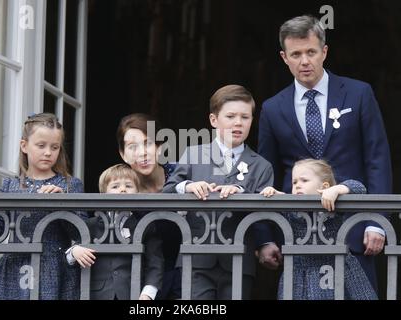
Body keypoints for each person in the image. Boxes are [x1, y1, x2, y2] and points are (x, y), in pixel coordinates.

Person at [258, 14, 392, 290]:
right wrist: (266, 238)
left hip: (355, 231)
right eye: (296, 54)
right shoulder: (272, 108)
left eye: (311, 52)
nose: (304, 61)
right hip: (297, 238)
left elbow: (377, 159)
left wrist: (377, 222)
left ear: (325, 52)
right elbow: (265, 174)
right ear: (284, 57)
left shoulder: (358, 94)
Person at [0, 112, 88, 300]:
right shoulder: (10, 185)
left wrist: (63, 203)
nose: (48, 152)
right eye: (41, 145)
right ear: (24, 146)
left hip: (54, 269)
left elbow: (80, 232)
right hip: (14, 268)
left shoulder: (70, 184)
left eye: (54, 147)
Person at [163, 84, 275, 299]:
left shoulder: (261, 165)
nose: (238, 123)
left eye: (245, 117)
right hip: (195, 257)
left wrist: (241, 193)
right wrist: (188, 187)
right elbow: (166, 192)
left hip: (239, 260)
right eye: (230, 116)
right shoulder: (194, 153)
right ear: (214, 120)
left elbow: (264, 216)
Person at [260, 159, 378, 300]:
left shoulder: (333, 205)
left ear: (324, 186)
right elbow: (272, 203)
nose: (298, 186)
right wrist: (271, 192)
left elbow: (359, 188)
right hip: (300, 273)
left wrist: (337, 190)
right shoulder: (291, 208)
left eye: (304, 180)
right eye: (294, 182)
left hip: (336, 268)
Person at [65, 164, 164, 300]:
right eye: (115, 186)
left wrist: (148, 293)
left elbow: (155, 264)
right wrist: (74, 251)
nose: (122, 190)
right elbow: (69, 257)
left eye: (128, 186)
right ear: (103, 193)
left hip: (133, 293)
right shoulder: (91, 225)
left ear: (138, 192)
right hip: (97, 294)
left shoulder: (145, 225)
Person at [116, 113, 181, 300]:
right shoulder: (120, 187)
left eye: (148, 143)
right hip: (143, 280)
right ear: (123, 154)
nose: (142, 152)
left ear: (159, 147)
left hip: (186, 274)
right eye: (132, 147)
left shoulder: (181, 175)